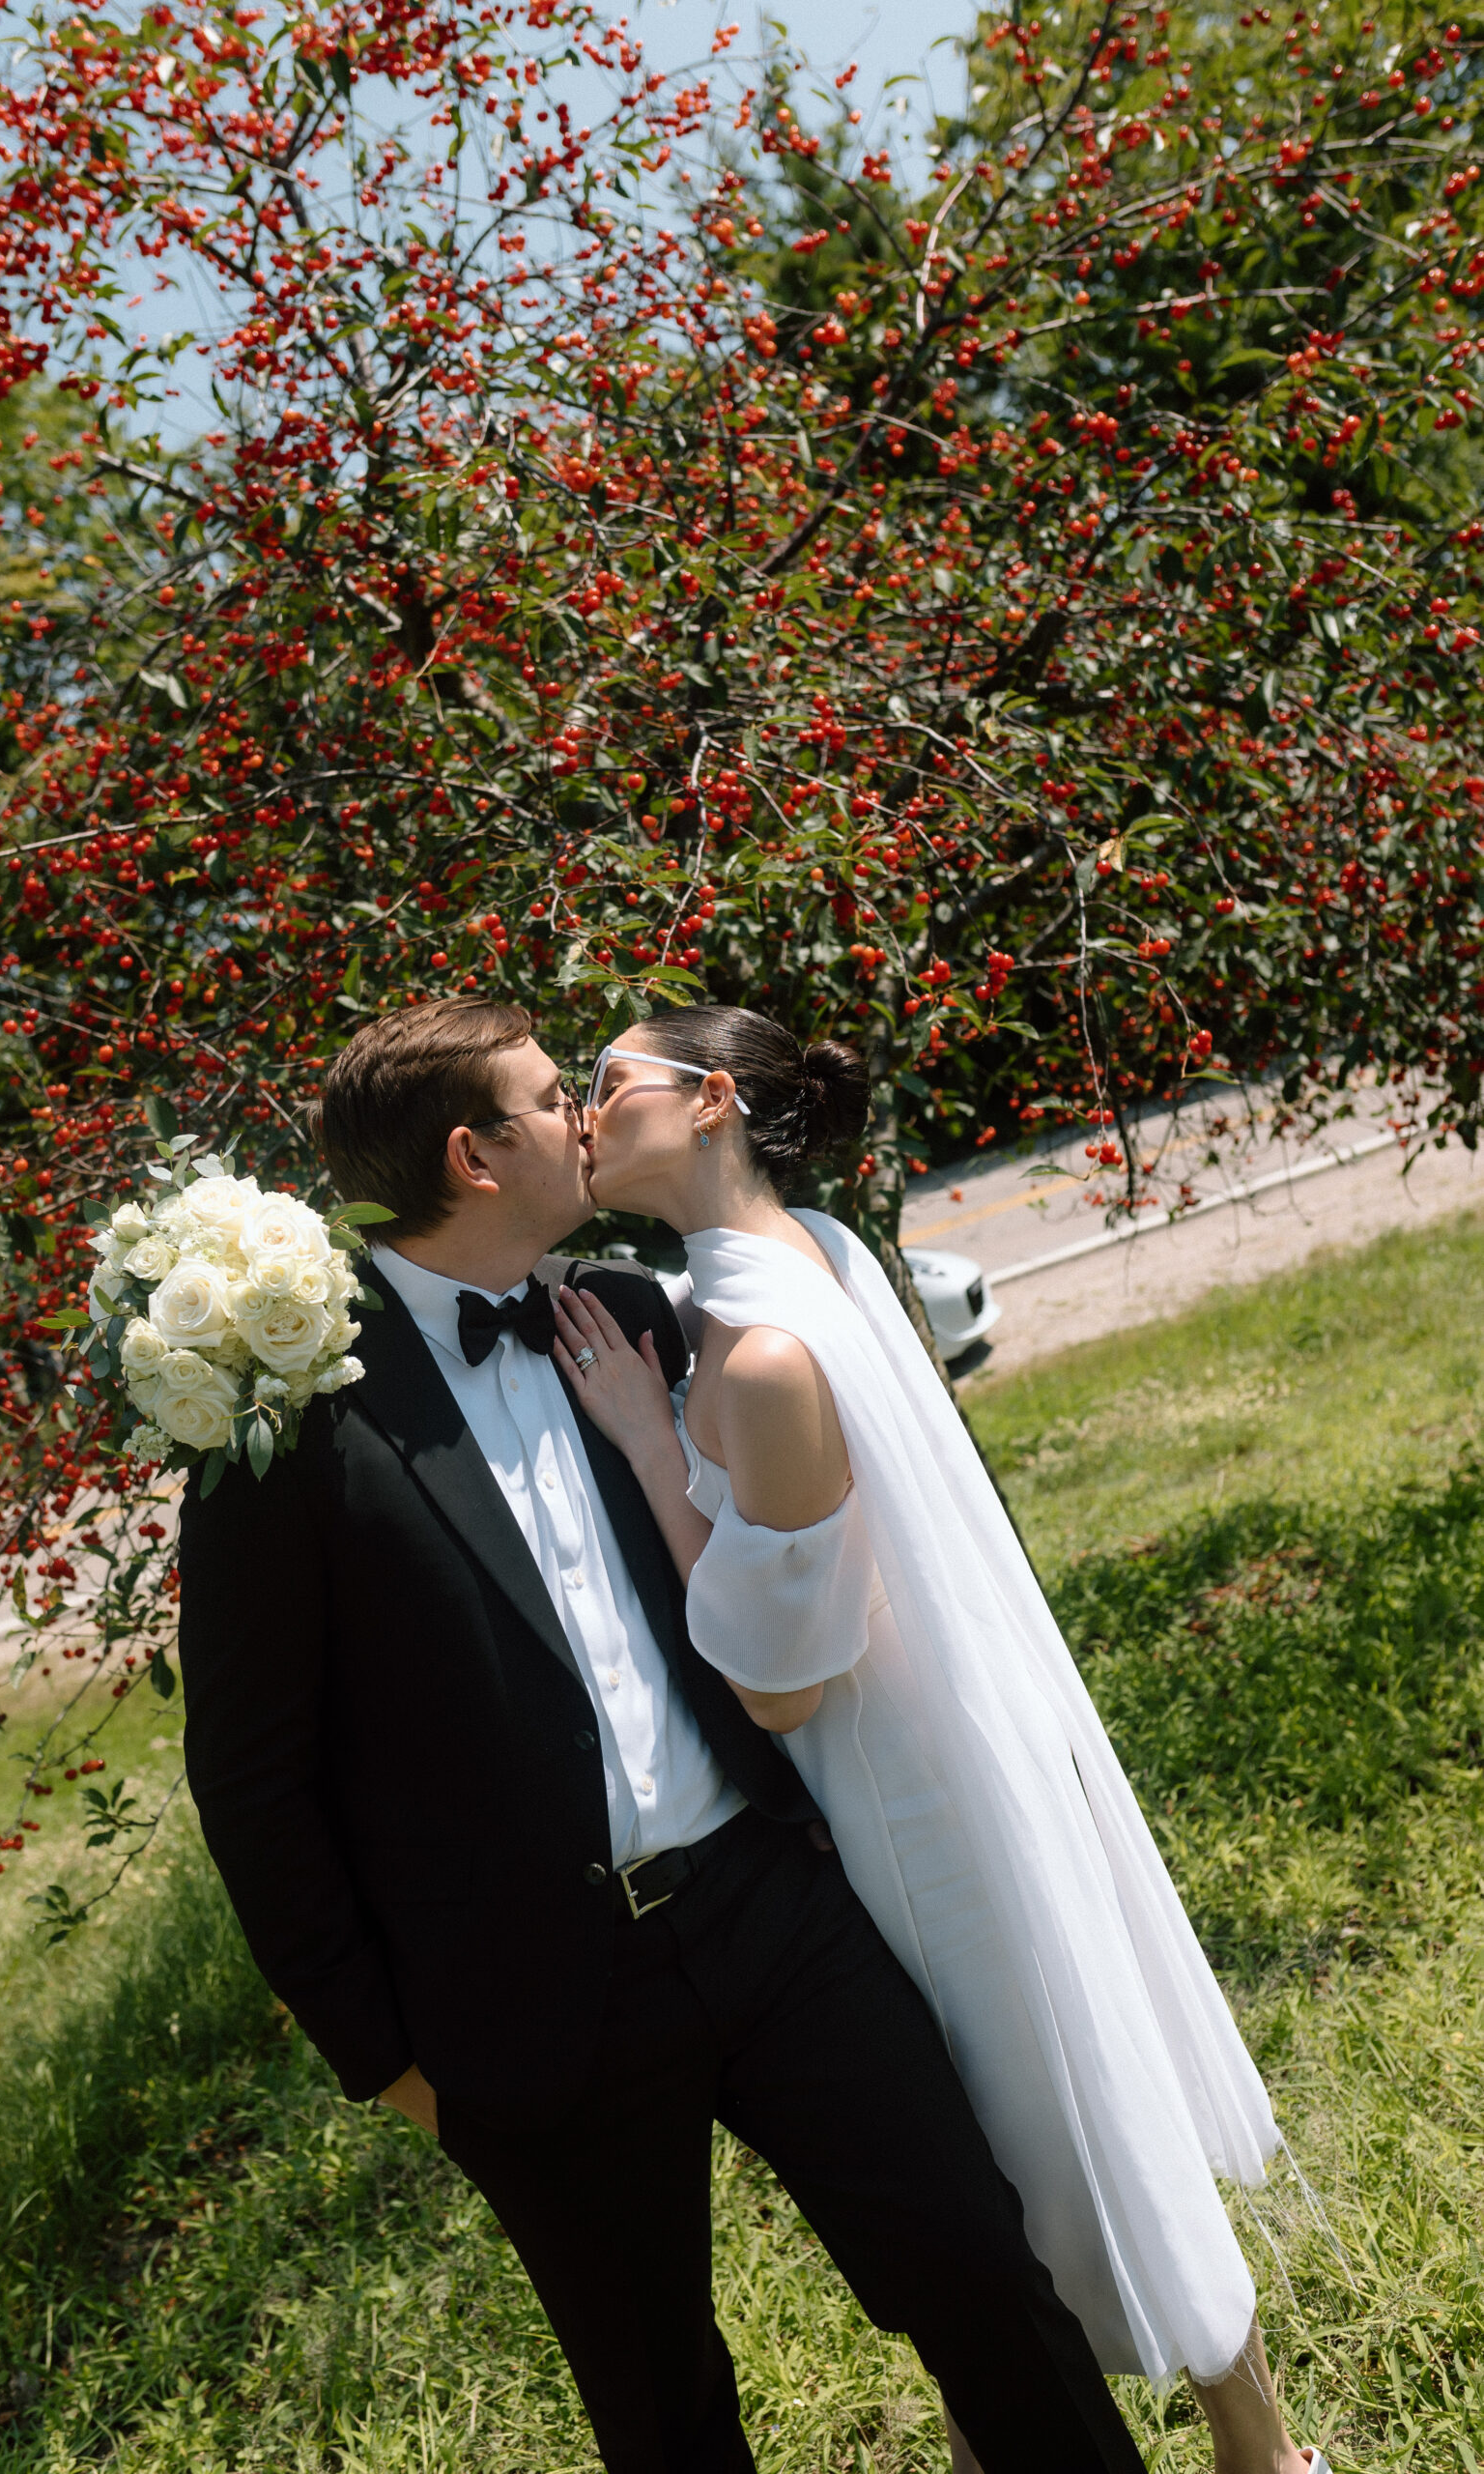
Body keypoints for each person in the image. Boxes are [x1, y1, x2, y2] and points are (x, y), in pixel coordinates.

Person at [177, 994, 1149, 2474]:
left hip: (769, 1911)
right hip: (530, 2004)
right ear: (473, 1153)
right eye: (553, 1093)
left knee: (983, 2275)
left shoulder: (636, 1314)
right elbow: (251, 1775)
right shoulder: (297, 1424)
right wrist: (379, 2055)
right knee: (665, 2412)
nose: (583, 1113)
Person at [558, 1002, 1331, 2474]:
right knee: (1051, 2103)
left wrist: (654, 1446)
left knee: (1012, 2145)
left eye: (608, 1086)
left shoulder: (763, 1349)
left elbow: (783, 1683)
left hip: (905, 1800)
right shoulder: (826, 1248)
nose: (585, 1117)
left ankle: (1221, 2451)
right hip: (964, 1739)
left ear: (711, 1099)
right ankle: (1248, 2449)